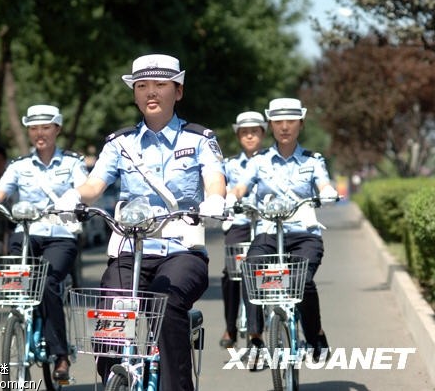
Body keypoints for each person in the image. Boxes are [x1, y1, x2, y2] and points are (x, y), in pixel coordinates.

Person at [56, 53, 226, 391]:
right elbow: (94, 185)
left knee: (166, 302)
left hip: (182, 251)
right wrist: (74, 197)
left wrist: (216, 200)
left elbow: (214, 178)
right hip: (131, 250)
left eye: (161, 85)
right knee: (112, 303)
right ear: (134, 93)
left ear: (177, 91)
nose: (151, 93)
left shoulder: (199, 140)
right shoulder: (120, 144)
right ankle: (112, 378)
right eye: (142, 86)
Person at [0, 104, 88, 381]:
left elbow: (85, 190)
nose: (40, 133)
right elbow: (0, 191)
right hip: (26, 235)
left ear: (57, 129)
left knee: (47, 282)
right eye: (34, 128)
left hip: (60, 236)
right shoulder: (19, 166)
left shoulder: (73, 163)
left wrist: (75, 202)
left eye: (46, 127)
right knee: (15, 281)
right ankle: (20, 321)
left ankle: (60, 354)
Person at [230, 98, 338, 365]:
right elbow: (241, 187)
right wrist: (229, 198)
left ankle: (315, 334)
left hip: (304, 233)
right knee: (251, 268)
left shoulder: (313, 160)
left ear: (300, 124)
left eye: (290, 121)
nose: (284, 127)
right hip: (268, 231)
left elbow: (323, 183)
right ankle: (255, 337)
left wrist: (327, 193)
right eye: (278, 122)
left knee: (304, 281)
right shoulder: (259, 161)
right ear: (271, 125)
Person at [219, 111, 266, 349]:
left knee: (268, 269)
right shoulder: (228, 165)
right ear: (238, 135)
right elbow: (221, 189)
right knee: (231, 273)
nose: (250, 136)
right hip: (239, 224)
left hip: (267, 223)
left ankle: (268, 322)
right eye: (245, 132)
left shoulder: (270, 161)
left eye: (254, 132)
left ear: (263, 133)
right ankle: (230, 326)